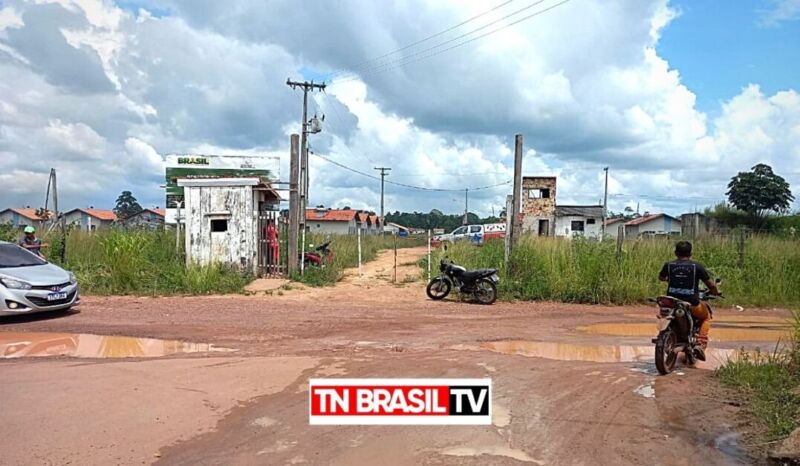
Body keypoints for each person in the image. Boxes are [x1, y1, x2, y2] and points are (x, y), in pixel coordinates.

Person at [658, 240, 720, 356]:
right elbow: (711, 285)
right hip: (691, 303)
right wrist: (716, 292)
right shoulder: (697, 266)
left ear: (676, 253)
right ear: (691, 253)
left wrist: (669, 280)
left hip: (672, 302)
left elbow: (661, 278)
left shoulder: (668, 265)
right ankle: (700, 344)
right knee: (706, 316)